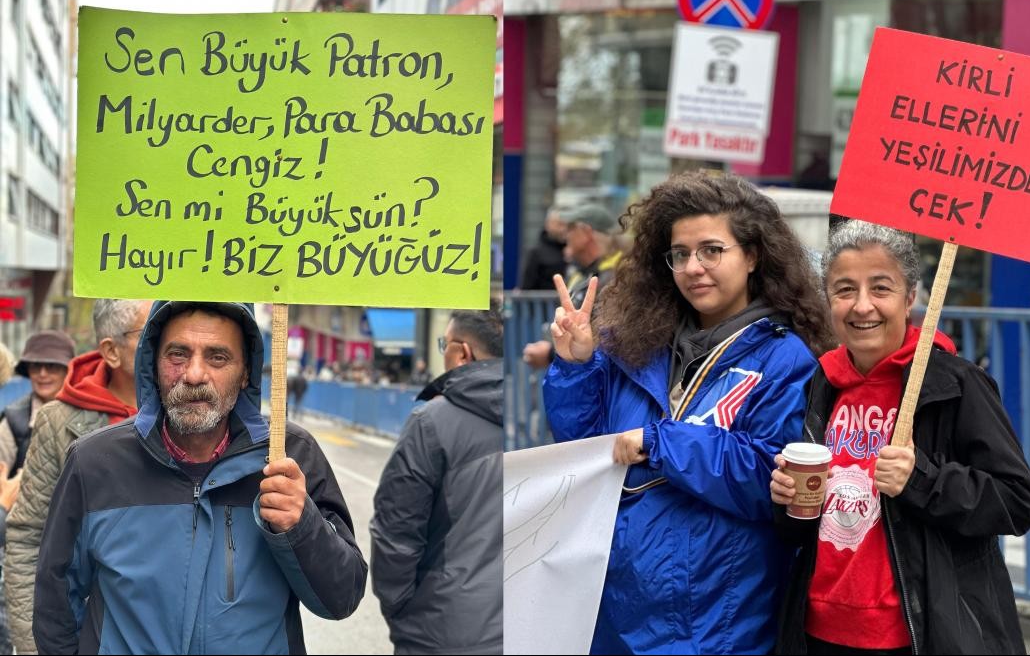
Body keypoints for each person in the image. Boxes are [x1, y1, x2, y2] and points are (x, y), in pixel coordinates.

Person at [543, 171, 835, 654]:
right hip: (616, 610)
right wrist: (576, 367)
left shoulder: (785, 359)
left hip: (716, 620)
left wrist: (659, 442)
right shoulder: (634, 344)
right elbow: (587, 452)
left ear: (753, 256)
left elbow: (769, 477)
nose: (694, 267)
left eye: (712, 250)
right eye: (680, 254)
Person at [34, 301, 368, 654]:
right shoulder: (94, 462)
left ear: (245, 372)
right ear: (153, 363)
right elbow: (55, 605)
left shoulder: (289, 456)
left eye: (217, 358)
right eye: (178, 355)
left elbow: (341, 598)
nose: (194, 374)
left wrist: (301, 527)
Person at [770, 221, 1030, 655]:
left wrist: (922, 480)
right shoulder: (823, 381)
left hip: (917, 634)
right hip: (818, 630)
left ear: (910, 297)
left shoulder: (955, 385)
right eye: (844, 290)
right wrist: (788, 501)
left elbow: (1018, 501)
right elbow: (813, 521)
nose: (862, 306)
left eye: (881, 288)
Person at [4, 299, 150, 655]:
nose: (169, 340)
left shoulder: (194, 413)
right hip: (90, 635)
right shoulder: (56, 421)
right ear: (110, 351)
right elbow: (27, 539)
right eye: (151, 331)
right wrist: (34, 644)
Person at [371, 306, 504, 655]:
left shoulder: (432, 421)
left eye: (444, 343)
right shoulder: (540, 409)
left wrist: (400, 609)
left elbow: (396, 530)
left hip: (440, 631)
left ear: (462, 353)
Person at [522, 202, 622, 370]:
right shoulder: (582, 274)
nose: (564, 234)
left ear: (586, 233)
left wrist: (550, 354)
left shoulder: (617, 277)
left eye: (570, 228)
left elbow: (605, 341)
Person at [0, 331, 76, 475]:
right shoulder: (14, 418)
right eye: (35, 366)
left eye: (52, 366)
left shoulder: (88, 411)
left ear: (68, 370)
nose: (43, 374)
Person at [519, 206, 568, 290]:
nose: (563, 229)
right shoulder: (536, 253)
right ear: (548, 224)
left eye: (567, 225)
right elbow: (526, 287)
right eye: (559, 224)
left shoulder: (575, 251)